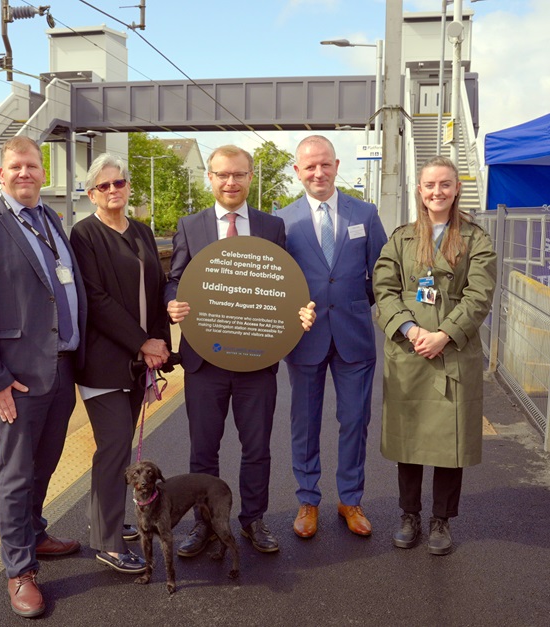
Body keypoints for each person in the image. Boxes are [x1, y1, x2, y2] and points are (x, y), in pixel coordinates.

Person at [0, 135, 84, 618]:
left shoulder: (51, 221)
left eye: (32, 165)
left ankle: (35, 533)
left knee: (45, 464)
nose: (25, 173)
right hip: (17, 380)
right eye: (15, 167)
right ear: (1, 173)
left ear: (43, 173)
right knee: (14, 475)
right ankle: (19, 570)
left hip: (60, 370)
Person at [166, 144, 316, 555]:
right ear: (209, 179)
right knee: (203, 450)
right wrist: (172, 301)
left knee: (257, 448)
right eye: (222, 175)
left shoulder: (271, 228)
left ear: (251, 177)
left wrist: (299, 313)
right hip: (204, 359)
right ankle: (206, 524)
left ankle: (253, 519)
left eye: (238, 174)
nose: (230, 182)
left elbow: (284, 287)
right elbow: (174, 279)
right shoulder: (190, 225)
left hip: (256, 357)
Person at [372, 154, 496, 555]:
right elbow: (383, 288)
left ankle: (441, 520)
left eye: (445, 184)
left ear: (457, 188)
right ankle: (409, 514)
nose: (437, 192)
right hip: (409, 350)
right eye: (430, 185)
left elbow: (480, 295)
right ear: (420, 192)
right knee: (408, 438)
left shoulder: (477, 239)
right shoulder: (401, 237)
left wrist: (444, 334)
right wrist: (411, 329)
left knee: (449, 440)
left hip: (452, 351)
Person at [277, 135, 388, 540]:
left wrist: (356, 302)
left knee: (355, 420)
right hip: (304, 339)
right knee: (304, 423)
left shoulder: (366, 213)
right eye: (309, 167)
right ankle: (308, 499)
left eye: (325, 164)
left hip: (354, 336)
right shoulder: (283, 220)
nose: (318, 173)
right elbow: (276, 283)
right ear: (298, 172)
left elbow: (383, 273)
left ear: (337, 165)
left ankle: (350, 500)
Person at [70, 154, 171, 575]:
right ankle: (108, 544)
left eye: (120, 183)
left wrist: (162, 343)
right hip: (104, 361)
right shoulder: (84, 234)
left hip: (137, 362)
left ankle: (105, 520)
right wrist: (141, 341)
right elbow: (96, 299)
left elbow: (160, 288)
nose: (114, 191)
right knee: (113, 449)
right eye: (104, 186)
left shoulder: (142, 230)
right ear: (92, 193)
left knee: (117, 448)